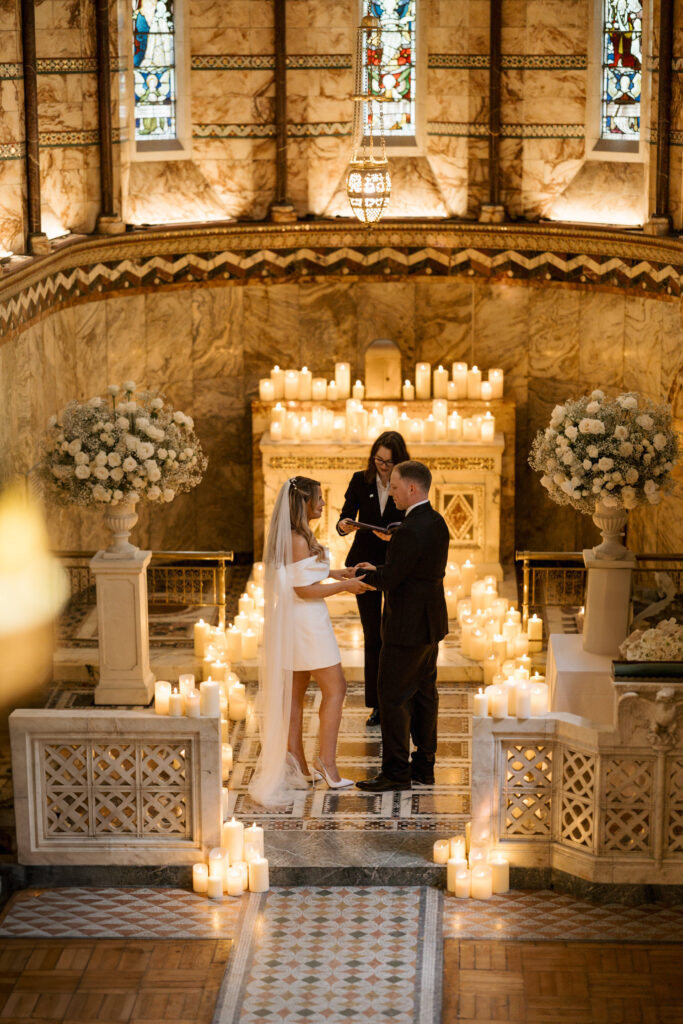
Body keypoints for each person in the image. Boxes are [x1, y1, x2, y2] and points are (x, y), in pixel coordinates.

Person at [249, 476, 374, 807]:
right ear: (302, 503)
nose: (322, 504)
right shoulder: (296, 538)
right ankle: (327, 764)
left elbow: (302, 576)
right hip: (305, 622)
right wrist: (344, 588)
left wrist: (338, 573)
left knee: (296, 694)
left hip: (301, 620)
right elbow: (302, 590)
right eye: (318, 499)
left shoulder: (300, 536)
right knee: (336, 688)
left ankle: (300, 767)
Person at [354, 460, 450, 792]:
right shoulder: (435, 522)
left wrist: (361, 574)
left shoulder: (410, 531)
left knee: (392, 697)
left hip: (406, 628)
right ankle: (424, 767)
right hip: (430, 624)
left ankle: (396, 772)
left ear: (412, 488)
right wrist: (382, 564)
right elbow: (413, 568)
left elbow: (392, 578)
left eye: (394, 487)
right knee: (424, 695)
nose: (391, 493)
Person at [336, 431, 410, 727]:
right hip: (363, 564)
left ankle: (396, 698)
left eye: (388, 461)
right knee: (372, 634)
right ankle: (376, 704)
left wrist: (395, 534)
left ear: (399, 460)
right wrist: (344, 525)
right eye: (378, 459)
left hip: (394, 565)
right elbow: (344, 517)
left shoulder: (406, 482)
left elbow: (412, 522)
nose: (381, 465)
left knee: (393, 634)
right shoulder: (360, 479)